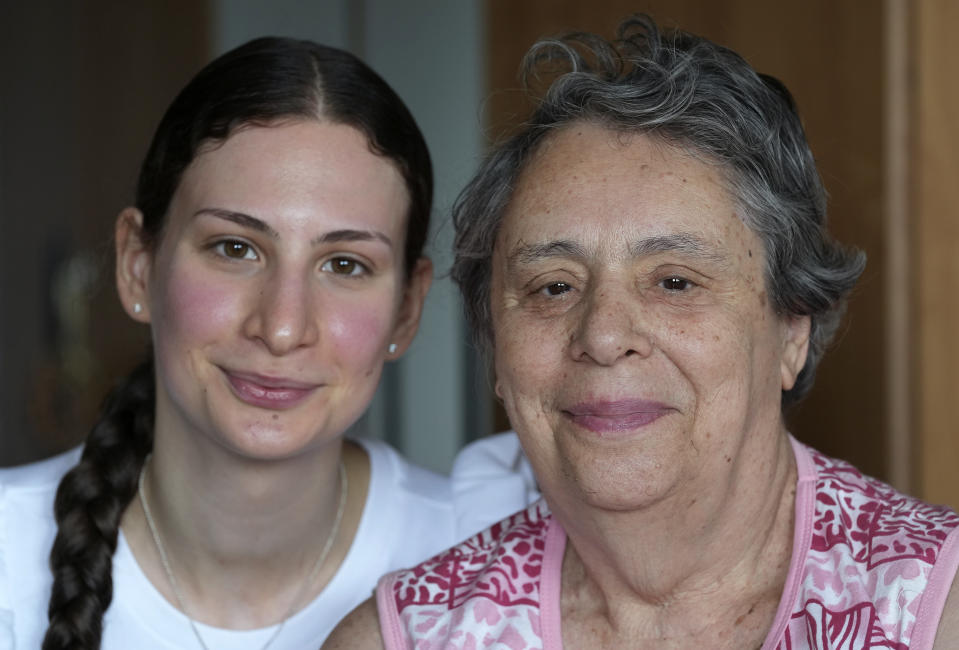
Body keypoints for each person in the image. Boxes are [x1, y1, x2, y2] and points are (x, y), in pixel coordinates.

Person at [326, 15, 959, 649]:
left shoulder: (938, 607)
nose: (602, 336)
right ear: (493, 345)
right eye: (553, 286)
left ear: (793, 330)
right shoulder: (405, 637)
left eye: (675, 282)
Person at [0, 37, 528, 650]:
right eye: (235, 248)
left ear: (406, 310)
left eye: (345, 264)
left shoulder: (486, 564)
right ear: (137, 266)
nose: (281, 328)